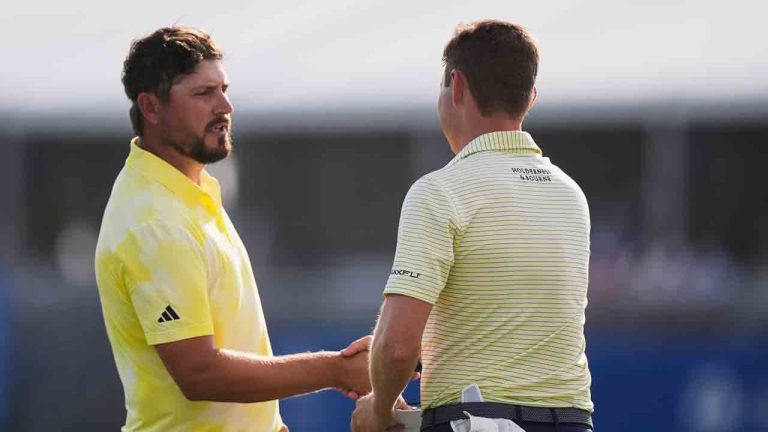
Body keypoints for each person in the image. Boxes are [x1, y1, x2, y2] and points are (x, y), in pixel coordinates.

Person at [94, 26, 371, 432]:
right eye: (203, 94)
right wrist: (334, 369)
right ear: (151, 108)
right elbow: (200, 373)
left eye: (224, 89)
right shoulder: (155, 222)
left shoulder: (186, 191)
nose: (225, 106)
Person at [352, 20, 594, 432]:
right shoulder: (570, 194)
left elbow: (395, 348)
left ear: (457, 87)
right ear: (530, 98)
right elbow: (511, 324)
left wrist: (378, 409)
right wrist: (426, 351)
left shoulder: (439, 192)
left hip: (476, 420)